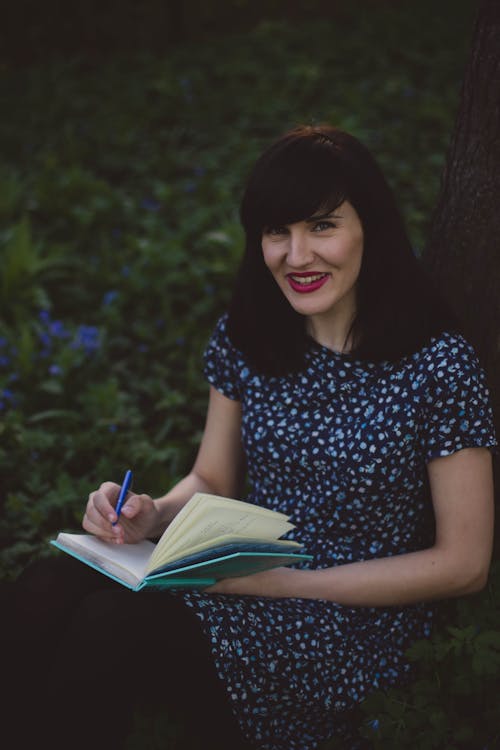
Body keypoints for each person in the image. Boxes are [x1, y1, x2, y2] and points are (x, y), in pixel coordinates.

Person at [4, 124, 497, 750]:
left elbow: (465, 564)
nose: (296, 256)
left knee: (112, 624)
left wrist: (285, 584)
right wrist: (150, 513)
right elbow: (212, 479)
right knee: (43, 588)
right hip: (238, 579)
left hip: (350, 623)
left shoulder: (437, 365)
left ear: (370, 228)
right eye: (276, 231)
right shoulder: (251, 333)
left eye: (322, 226)